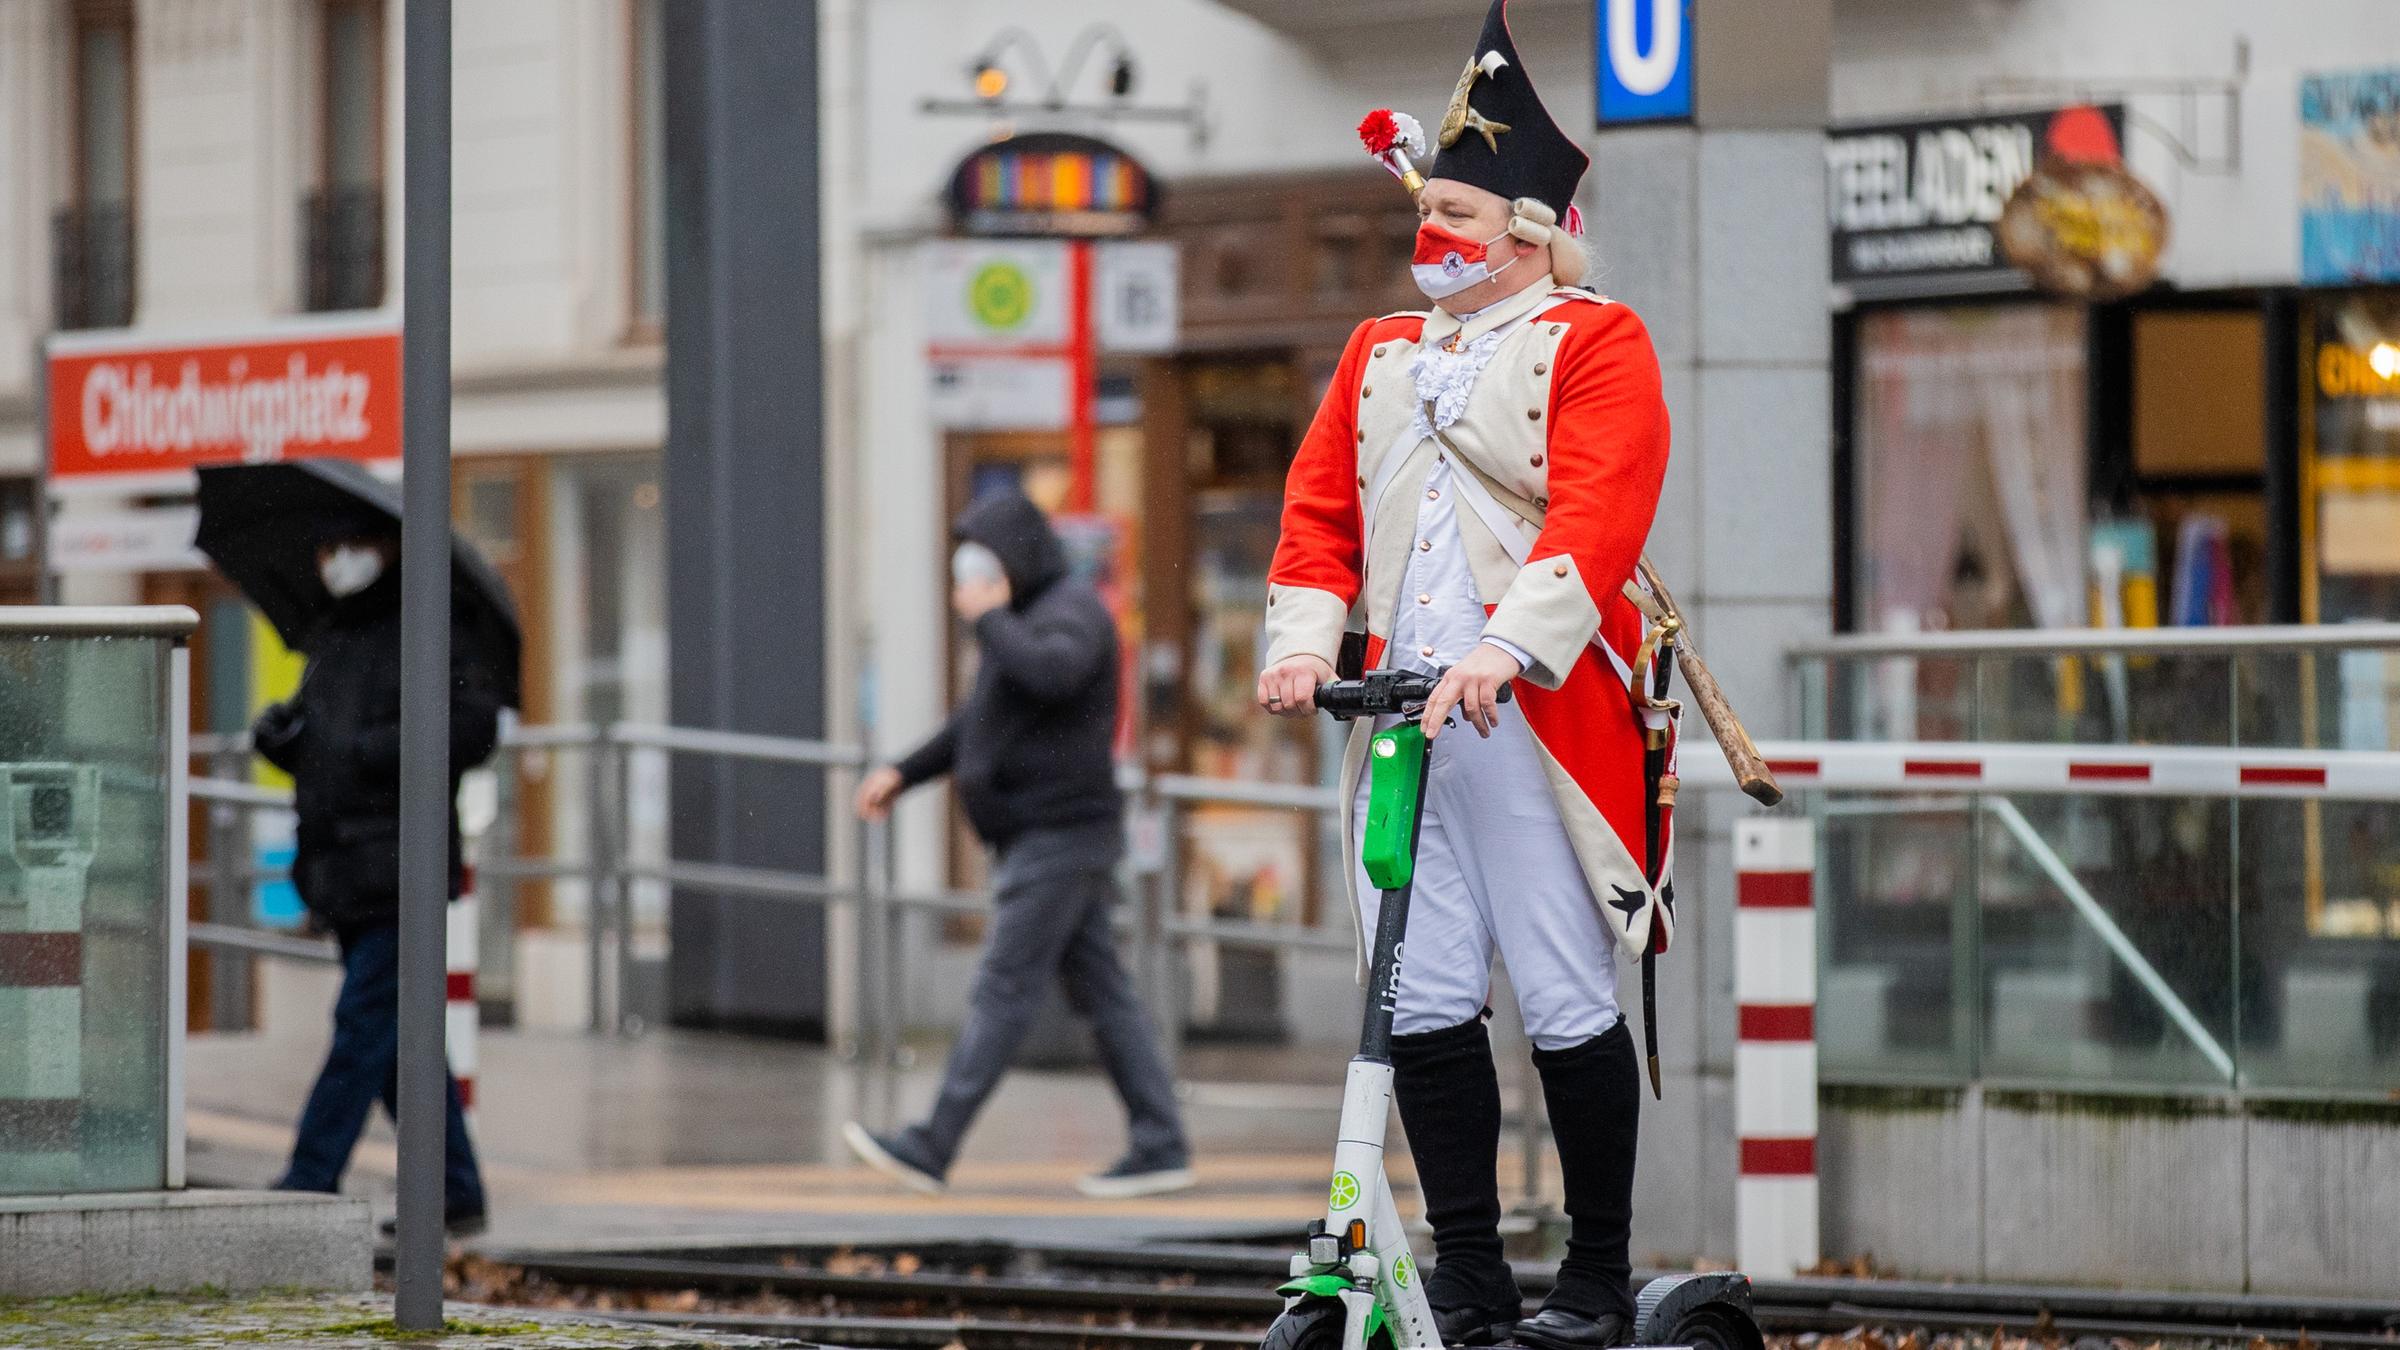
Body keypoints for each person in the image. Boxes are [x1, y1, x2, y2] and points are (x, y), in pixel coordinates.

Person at [1255, 3, 1675, 1346]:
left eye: (1460, 213)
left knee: (1562, 989)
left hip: (1532, 716)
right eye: (1425, 205)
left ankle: (1597, 1282)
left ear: (1531, 231)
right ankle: (1472, 1280)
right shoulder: (1380, 353)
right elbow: (1320, 515)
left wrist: (1507, 646)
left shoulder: (1596, 340)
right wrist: (1304, 645)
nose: (1432, 232)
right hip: (1395, 718)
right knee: (1420, 993)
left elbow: (1598, 513)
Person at [843, 490, 1193, 1199]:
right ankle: (1160, 1142)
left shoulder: (1071, 613)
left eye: (983, 559)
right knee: (1106, 995)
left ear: (1016, 559)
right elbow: (976, 722)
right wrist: (902, 774)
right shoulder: (1029, 619)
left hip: (1061, 837)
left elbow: (1051, 671)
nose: (970, 580)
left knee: (1003, 988)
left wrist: (991, 617)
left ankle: (932, 1144)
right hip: (1047, 836)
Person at [260, 524, 504, 1237]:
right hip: (341, 868)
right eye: (324, 544)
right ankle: (455, 1190)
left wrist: (365, 749)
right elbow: (320, 741)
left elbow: (472, 729)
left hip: (403, 866)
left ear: (386, 547)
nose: (331, 558)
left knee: (363, 1027)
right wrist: (284, 739)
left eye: (345, 543)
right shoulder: (333, 634)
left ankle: (310, 1180)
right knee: (399, 1046)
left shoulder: (435, 623)